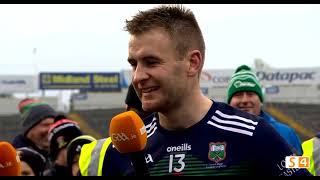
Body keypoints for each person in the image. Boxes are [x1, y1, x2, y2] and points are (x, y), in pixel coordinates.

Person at [82, 5, 312, 176]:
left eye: (151, 62)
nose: (138, 76)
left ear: (192, 63)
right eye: (134, 64)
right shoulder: (121, 149)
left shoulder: (255, 135)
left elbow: (298, 163)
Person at [227, 64, 303, 155]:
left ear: (261, 101)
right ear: (229, 102)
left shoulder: (286, 133)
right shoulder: (215, 133)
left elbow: (300, 167)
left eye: (250, 94)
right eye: (238, 95)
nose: (245, 100)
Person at [12, 101, 57, 174]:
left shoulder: (53, 156)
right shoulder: (14, 157)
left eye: (54, 124)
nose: (52, 129)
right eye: (46, 125)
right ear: (30, 128)